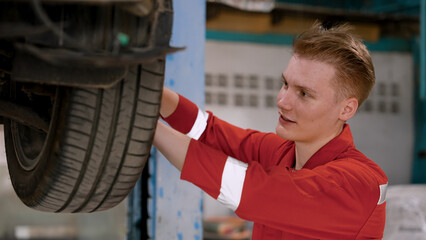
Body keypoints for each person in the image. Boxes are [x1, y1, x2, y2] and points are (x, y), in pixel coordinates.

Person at [153, 22, 388, 239]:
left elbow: (245, 190)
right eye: (286, 84)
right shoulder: (282, 153)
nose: (282, 101)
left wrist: (146, 123)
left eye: (304, 94)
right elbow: (208, 130)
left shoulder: (359, 184)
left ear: (346, 109)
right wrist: (148, 92)